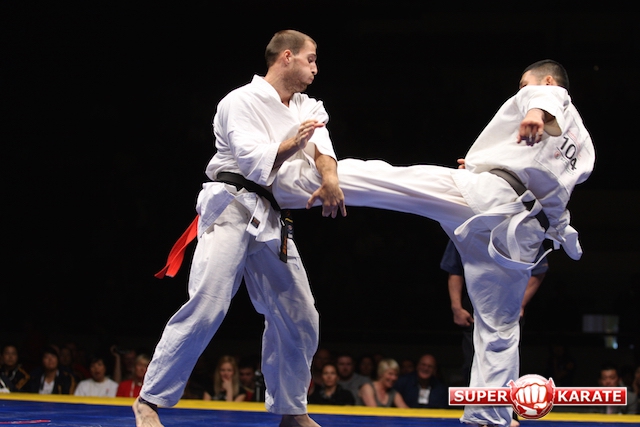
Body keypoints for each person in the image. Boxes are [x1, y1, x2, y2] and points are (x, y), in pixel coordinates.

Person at [272, 59, 595, 426]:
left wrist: (534, 113)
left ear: (548, 80)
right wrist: (488, 164)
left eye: (524, 85)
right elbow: (547, 178)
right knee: (501, 328)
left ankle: (281, 183)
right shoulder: (584, 145)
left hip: (491, 198)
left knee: (391, 181)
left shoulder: (550, 95)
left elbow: (545, 99)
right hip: (522, 233)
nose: (522, 92)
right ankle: (490, 417)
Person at [133, 29, 345, 427]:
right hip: (231, 206)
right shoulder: (239, 100)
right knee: (208, 305)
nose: (316, 68)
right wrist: (293, 143)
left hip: (271, 218)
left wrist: (330, 177)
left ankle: (291, 411)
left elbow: (323, 148)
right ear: (286, 57)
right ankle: (149, 400)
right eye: (311, 59)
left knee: (300, 314)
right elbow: (251, 162)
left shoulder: (307, 105)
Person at [441, 239, 548, 386]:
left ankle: (504, 399)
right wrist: (456, 307)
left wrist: (520, 304)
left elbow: (539, 269)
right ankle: (476, 400)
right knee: (472, 363)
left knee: (507, 363)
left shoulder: (521, 229)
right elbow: (454, 269)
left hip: (508, 308)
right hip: (475, 309)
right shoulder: (464, 228)